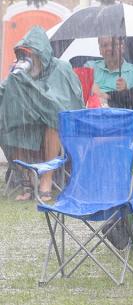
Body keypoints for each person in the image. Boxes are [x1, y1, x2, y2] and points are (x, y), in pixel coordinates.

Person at [0, 26, 83, 201]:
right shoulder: (21, 72)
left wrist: (32, 89)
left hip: (59, 132)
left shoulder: (61, 68)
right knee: (8, 126)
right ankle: (29, 181)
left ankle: (46, 179)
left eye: (30, 54)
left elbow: (60, 106)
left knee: (54, 122)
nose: (26, 59)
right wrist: (16, 79)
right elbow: (4, 92)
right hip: (31, 129)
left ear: (41, 54)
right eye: (23, 55)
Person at [85, 36, 133, 106]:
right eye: (105, 45)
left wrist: (126, 90)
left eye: (113, 44)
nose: (109, 48)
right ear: (100, 50)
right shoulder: (89, 67)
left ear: (122, 47)